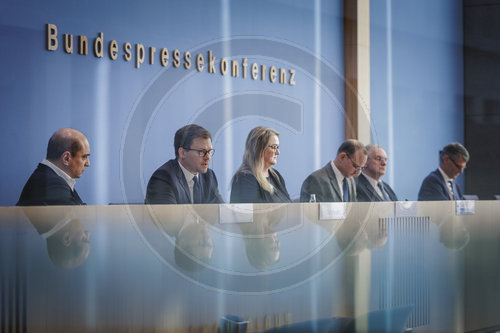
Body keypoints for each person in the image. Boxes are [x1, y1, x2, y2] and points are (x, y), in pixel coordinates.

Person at [145, 124, 223, 204]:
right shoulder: (163, 178)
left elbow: (221, 212)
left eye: (209, 151)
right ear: (182, 153)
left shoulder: (209, 177)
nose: (208, 157)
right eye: (201, 152)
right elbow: (167, 216)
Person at [17, 128, 90, 206]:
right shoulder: (53, 185)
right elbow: (78, 216)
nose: (88, 164)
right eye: (84, 157)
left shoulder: (50, 180)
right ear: (66, 158)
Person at [230, 126, 291, 203]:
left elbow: (289, 204)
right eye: (274, 147)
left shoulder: (276, 176)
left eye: (278, 147)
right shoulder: (245, 178)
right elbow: (254, 212)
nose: (278, 152)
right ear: (259, 149)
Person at [300, 139, 367, 202]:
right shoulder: (315, 180)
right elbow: (309, 213)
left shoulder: (350, 180)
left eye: (361, 168)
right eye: (356, 166)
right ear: (342, 157)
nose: (358, 172)